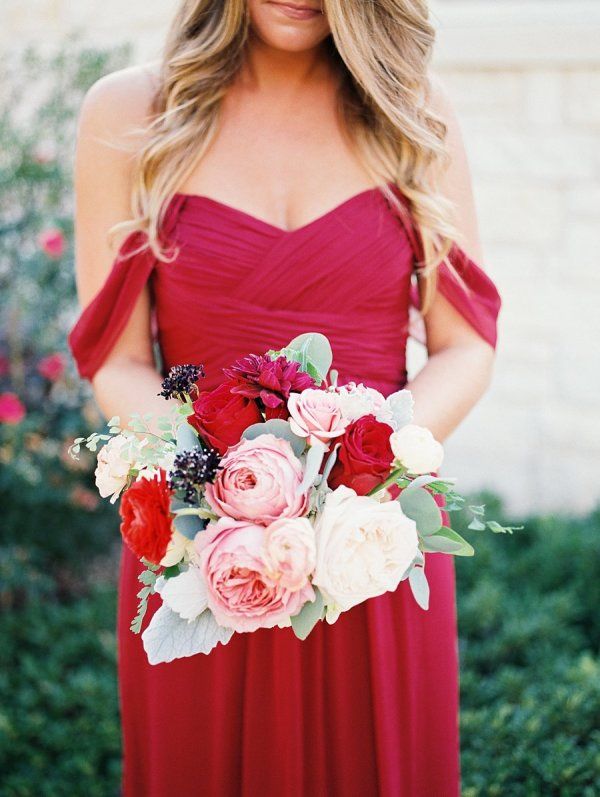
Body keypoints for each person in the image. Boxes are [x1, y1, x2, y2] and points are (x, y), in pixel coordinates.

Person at [68, 1, 501, 795]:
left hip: (371, 552)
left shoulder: (413, 111)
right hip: (200, 563)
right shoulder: (129, 115)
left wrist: (359, 472)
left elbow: (465, 345)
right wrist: (233, 490)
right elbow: (118, 359)